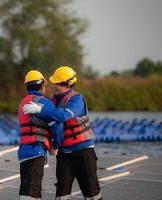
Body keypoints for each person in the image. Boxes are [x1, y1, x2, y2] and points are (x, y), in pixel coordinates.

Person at [23, 66, 102, 200]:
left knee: (92, 193)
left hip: (84, 153)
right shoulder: (53, 99)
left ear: (68, 84)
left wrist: (40, 110)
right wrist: (53, 145)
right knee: (62, 194)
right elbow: (51, 122)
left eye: (58, 83)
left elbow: (63, 116)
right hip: (64, 155)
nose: (54, 85)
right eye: (54, 82)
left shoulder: (77, 100)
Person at [18, 70, 63, 200]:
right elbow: (57, 126)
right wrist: (55, 146)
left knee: (30, 191)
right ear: (43, 84)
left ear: (27, 86)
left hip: (23, 152)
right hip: (36, 151)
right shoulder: (44, 102)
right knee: (30, 194)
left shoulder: (22, 103)